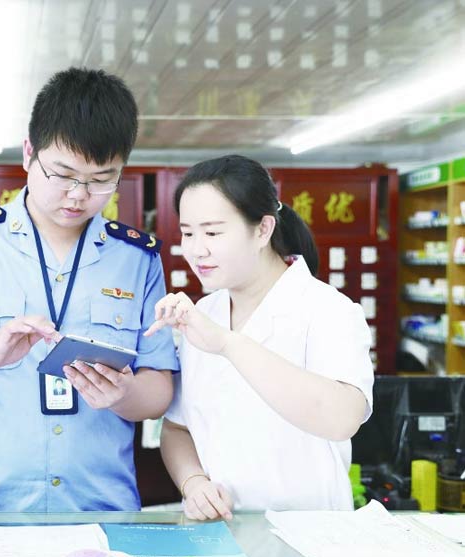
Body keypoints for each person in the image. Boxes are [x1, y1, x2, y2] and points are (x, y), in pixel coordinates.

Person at [0, 68, 178, 512]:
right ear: (29, 153)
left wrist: (125, 396)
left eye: (101, 180)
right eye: (62, 174)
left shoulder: (137, 259)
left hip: (100, 510)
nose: (78, 195)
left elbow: (159, 386)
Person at [146, 155, 374, 520]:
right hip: (223, 531)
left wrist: (228, 343)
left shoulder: (327, 310)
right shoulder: (206, 312)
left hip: (311, 532)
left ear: (263, 230)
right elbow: (176, 428)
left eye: (213, 233)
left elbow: (342, 418)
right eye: (188, 233)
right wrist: (194, 483)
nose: (197, 249)